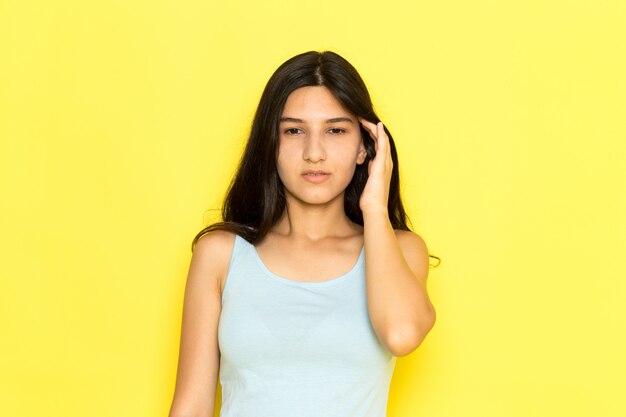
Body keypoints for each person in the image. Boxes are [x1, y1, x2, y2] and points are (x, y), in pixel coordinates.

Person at [168, 50, 440, 417]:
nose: (314, 152)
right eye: (294, 130)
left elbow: (402, 334)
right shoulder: (221, 254)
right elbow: (191, 407)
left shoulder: (400, 251)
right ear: (271, 144)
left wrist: (374, 207)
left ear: (365, 146)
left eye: (336, 130)